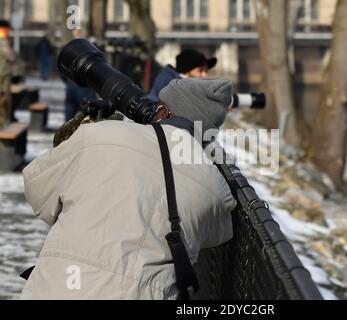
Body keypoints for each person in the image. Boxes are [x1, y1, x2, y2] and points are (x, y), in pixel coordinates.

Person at [20, 78, 236, 300]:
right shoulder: (215, 187)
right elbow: (215, 236)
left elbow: (37, 186)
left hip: (58, 287)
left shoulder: (100, 135)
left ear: (162, 111)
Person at [148, 48, 217, 102]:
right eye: (200, 70)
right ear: (187, 69)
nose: (204, 75)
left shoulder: (176, 80)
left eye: (206, 71)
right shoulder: (169, 84)